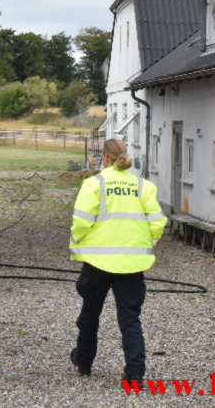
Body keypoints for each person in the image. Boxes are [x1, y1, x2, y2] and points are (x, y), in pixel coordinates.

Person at [69, 139, 167, 380]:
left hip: (97, 262)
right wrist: (146, 243)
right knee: (130, 320)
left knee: (90, 315)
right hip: (132, 264)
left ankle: (84, 363)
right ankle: (134, 374)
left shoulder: (94, 184)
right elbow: (157, 222)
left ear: (104, 157)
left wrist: (78, 242)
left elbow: (81, 221)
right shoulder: (143, 186)